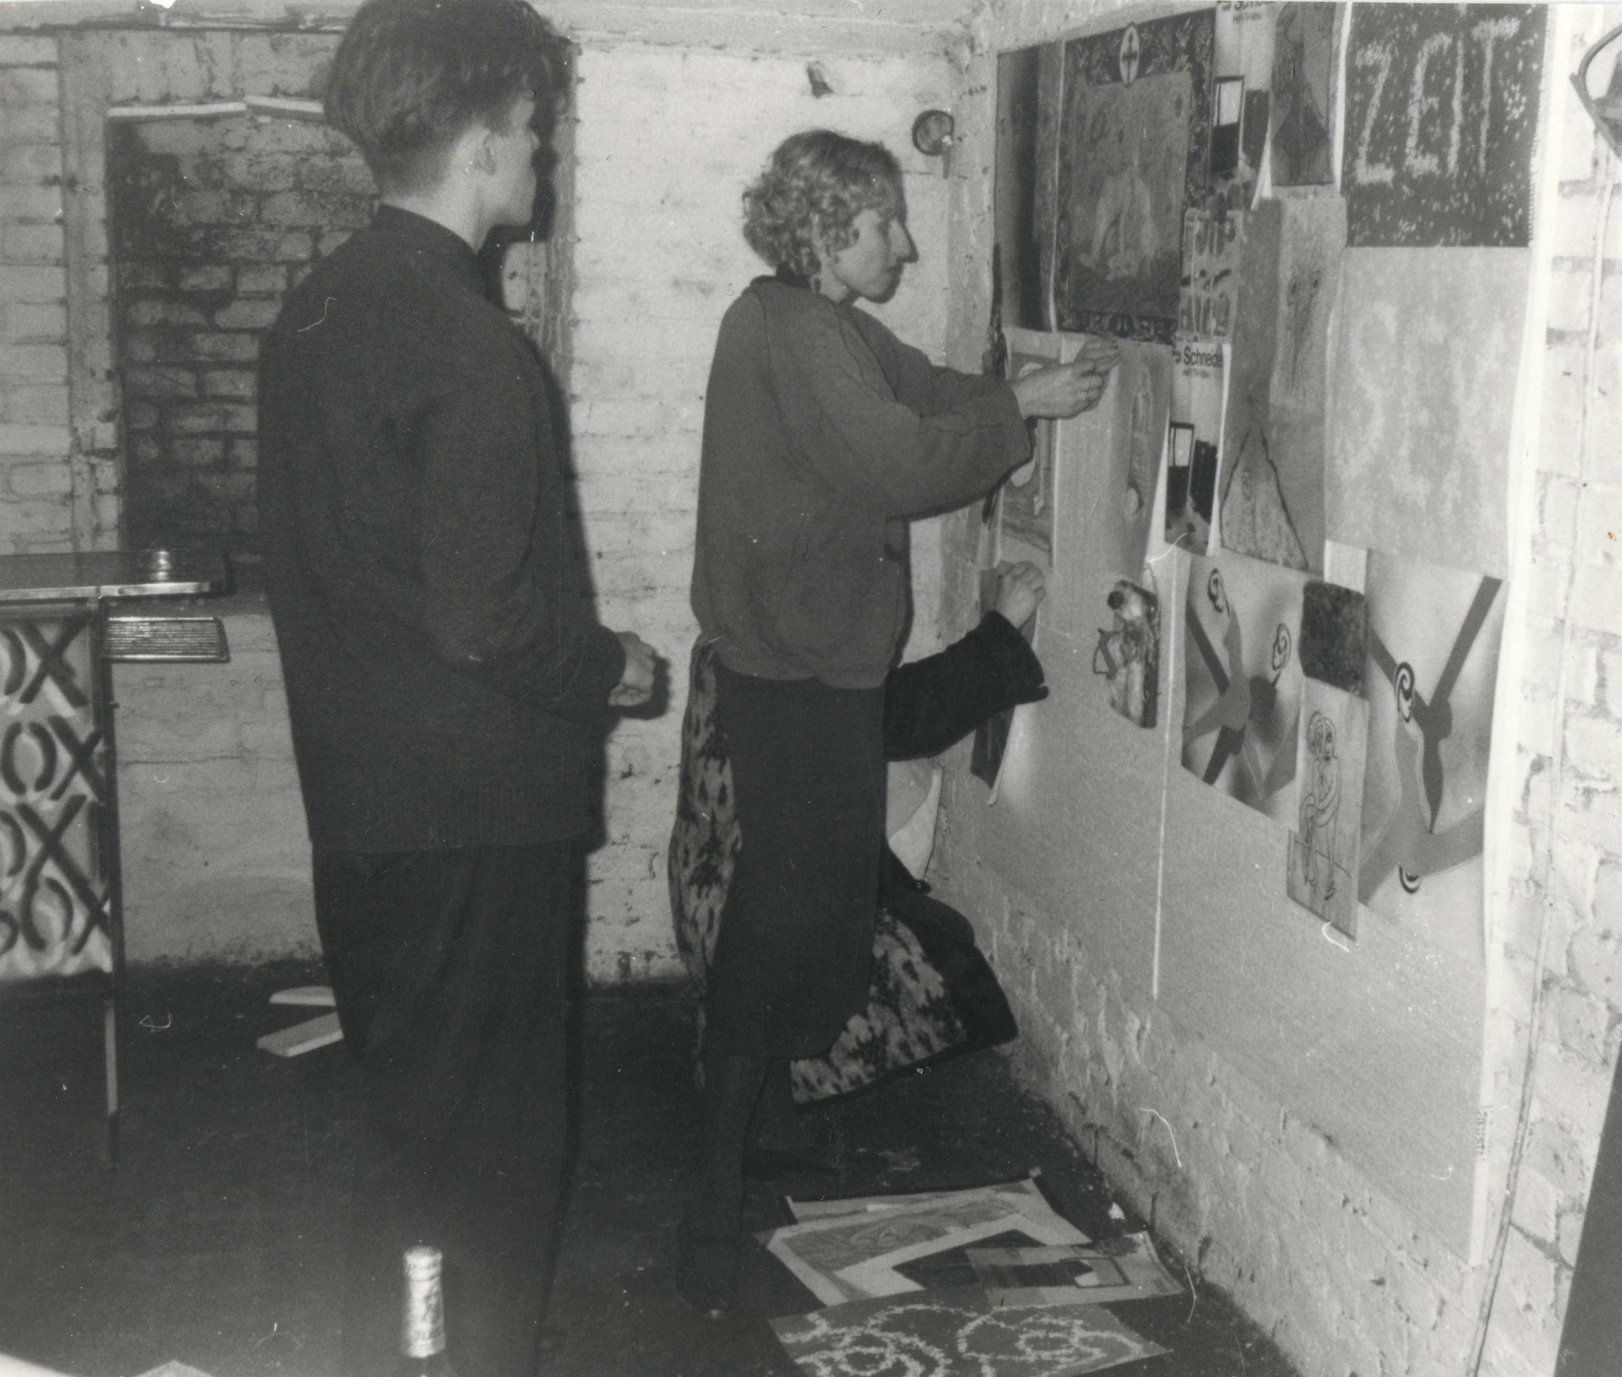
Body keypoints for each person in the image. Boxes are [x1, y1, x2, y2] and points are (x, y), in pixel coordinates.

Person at [256, 2, 659, 1372]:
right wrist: (617, 663)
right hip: (477, 817)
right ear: (486, 142)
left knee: (414, 1138)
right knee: (487, 1165)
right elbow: (490, 623)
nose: (541, 155)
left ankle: (408, 1359)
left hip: (367, 808)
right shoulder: (475, 350)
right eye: (535, 128)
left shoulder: (313, 314)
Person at [681, 128, 1115, 1314]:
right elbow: (896, 461)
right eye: (887, 223)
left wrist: (1017, 396)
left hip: (804, 664)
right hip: (796, 673)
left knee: (801, 909)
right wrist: (1021, 406)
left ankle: (752, 1137)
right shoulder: (788, 330)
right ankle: (708, 1194)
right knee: (791, 918)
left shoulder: (815, 323)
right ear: (833, 227)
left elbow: (924, 392)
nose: (907, 242)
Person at [670, 560, 1048, 1135]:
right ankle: (744, 1154)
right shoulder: (785, 668)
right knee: (943, 970)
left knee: (759, 999)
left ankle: (756, 1135)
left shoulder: (736, 640)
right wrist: (1000, 628)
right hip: (745, 902)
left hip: (714, 888)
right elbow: (898, 715)